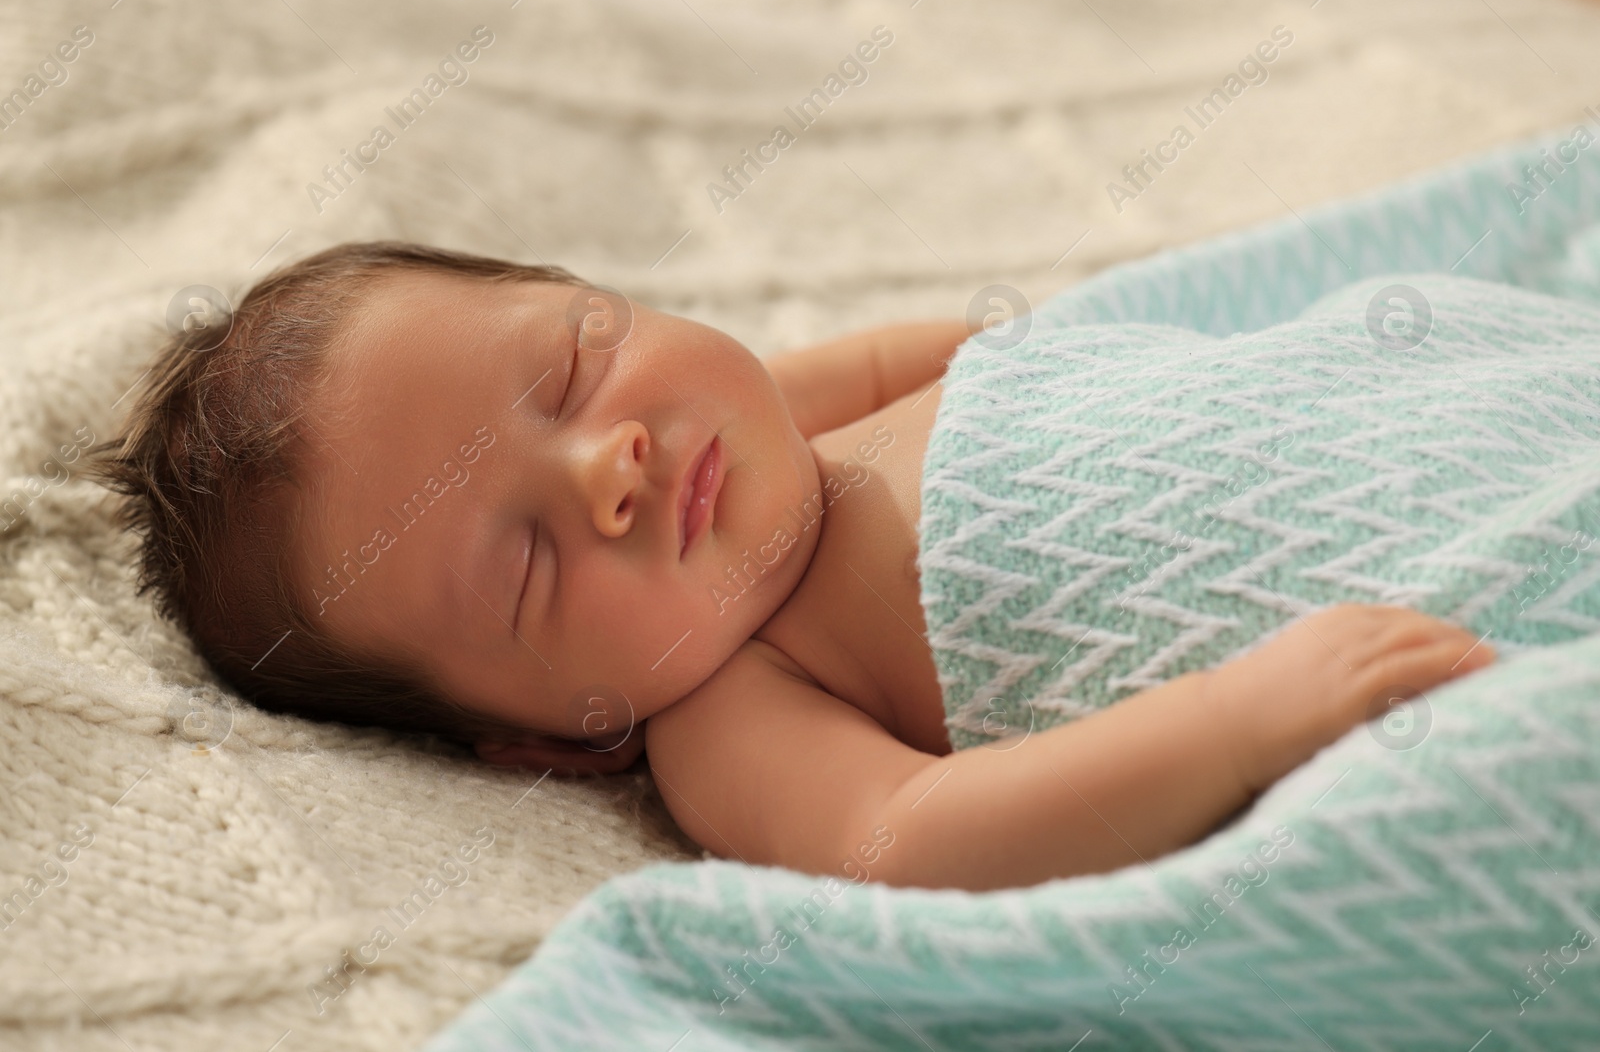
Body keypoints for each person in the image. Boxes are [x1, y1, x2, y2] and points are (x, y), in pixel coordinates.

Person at [87, 241, 1497, 891]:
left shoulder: (779, 417)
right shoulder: (731, 711)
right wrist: (1239, 719)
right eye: (526, 568)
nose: (608, 466)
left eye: (573, 365)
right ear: (551, 740)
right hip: (1343, 585)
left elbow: (985, 350)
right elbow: (927, 840)